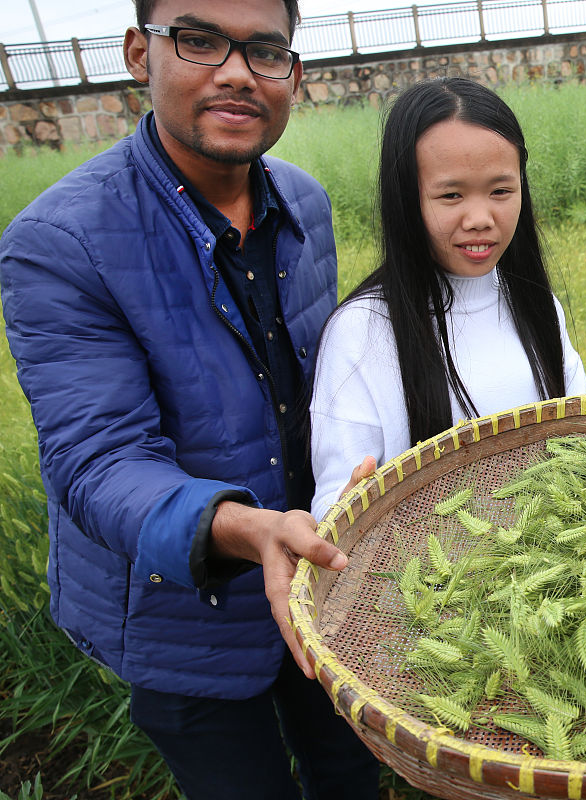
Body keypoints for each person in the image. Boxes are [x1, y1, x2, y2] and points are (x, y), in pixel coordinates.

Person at [0, 0, 380, 797]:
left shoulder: (304, 202)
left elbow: (327, 381)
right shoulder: (60, 242)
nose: (238, 72)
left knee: (350, 774)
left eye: (265, 50)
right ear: (141, 52)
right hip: (181, 614)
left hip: (320, 575)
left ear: (293, 74)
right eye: (200, 40)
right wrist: (246, 528)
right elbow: (98, 460)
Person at [310, 78, 586, 517]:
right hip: (431, 579)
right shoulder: (362, 332)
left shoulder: (535, 304)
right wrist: (343, 509)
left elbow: (583, 437)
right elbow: (335, 506)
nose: (480, 218)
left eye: (501, 191)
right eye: (451, 195)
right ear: (407, 199)